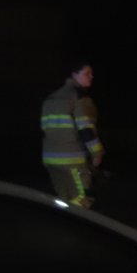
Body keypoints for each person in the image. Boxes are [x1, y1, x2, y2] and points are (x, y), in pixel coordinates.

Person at [41, 60, 104, 207]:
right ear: (75, 75)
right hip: (72, 160)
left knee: (62, 200)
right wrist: (97, 152)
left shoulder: (51, 98)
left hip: (51, 158)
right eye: (87, 73)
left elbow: (46, 128)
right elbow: (86, 129)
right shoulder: (79, 98)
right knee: (81, 200)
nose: (91, 77)